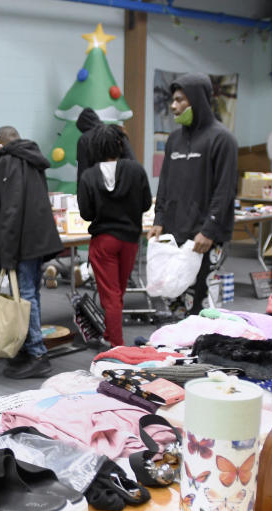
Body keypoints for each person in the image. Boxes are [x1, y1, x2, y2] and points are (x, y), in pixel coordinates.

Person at [147, 73, 237, 313]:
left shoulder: (222, 139)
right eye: (172, 100)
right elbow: (164, 181)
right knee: (173, 298)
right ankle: (177, 348)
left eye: (179, 100)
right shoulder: (174, 139)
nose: (173, 106)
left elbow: (225, 189)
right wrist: (159, 218)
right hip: (176, 232)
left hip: (206, 237)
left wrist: (209, 230)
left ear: (197, 100)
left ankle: (201, 346)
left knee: (200, 302)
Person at [0, 126, 63, 379]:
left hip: (23, 240)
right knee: (31, 295)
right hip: (38, 239)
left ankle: (37, 354)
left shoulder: (8, 161)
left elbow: (11, 208)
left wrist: (6, 251)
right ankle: (31, 349)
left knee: (25, 295)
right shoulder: (32, 158)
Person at [77, 124, 152, 347]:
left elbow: (86, 214)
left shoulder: (89, 176)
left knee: (110, 295)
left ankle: (117, 347)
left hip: (104, 242)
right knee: (118, 293)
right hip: (130, 239)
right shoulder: (135, 169)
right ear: (121, 144)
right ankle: (111, 335)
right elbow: (146, 204)